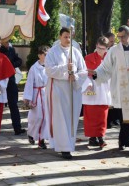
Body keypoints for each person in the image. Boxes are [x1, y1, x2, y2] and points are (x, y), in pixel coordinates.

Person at [90, 26, 129, 156]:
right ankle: (125, 142)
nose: (120, 39)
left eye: (123, 36)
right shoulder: (114, 50)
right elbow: (105, 67)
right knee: (124, 119)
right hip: (121, 90)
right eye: (119, 37)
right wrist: (96, 74)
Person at [45, 27, 87, 159]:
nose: (68, 39)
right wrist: (65, 68)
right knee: (61, 119)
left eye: (69, 37)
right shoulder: (52, 52)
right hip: (58, 89)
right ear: (60, 37)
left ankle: (70, 144)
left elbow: (83, 70)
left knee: (71, 118)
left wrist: (75, 77)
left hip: (73, 89)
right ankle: (64, 148)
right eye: (65, 37)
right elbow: (49, 70)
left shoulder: (76, 52)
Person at [82, 36, 111, 149]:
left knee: (102, 114)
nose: (100, 51)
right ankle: (92, 137)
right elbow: (84, 73)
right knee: (90, 114)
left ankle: (101, 137)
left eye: (103, 49)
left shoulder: (109, 58)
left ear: (107, 49)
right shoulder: (88, 57)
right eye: (98, 48)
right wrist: (88, 83)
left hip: (103, 88)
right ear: (96, 46)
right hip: (91, 87)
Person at [23, 45, 50, 149]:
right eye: (45, 55)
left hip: (46, 94)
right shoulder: (34, 68)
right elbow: (29, 83)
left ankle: (41, 140)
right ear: (39, 55)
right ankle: (31, 133)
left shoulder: (50, 67)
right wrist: (28, 98)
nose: (47, 57)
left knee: (45, 117)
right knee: (37, 117)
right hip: (37, 95)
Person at [0, 39, 26, 135]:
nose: (7, 44)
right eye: (5, 42)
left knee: (14, 104)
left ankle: (17, 128)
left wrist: (12, 65)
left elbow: (18, 60)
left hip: (11, 80)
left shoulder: (11, 49)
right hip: (0, 81)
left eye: (8, 42)